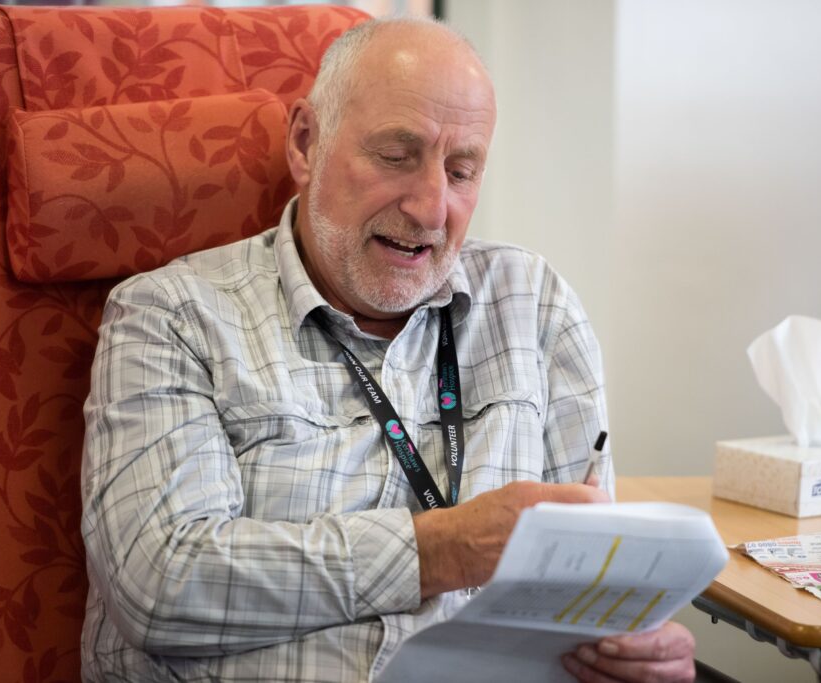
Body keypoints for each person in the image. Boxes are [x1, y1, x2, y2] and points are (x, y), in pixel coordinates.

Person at [80, 16, 696, 683]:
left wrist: (633, 645)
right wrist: (442, 550)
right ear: (305, 142)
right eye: (397, 156)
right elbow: (161, 582)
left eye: (461, 171)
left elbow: (590, 580)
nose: (431, 208)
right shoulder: (171, 314)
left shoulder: (535, 304)